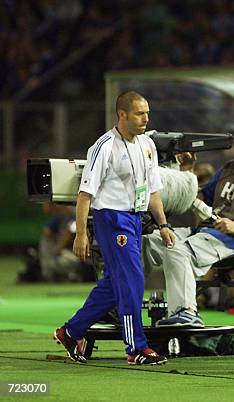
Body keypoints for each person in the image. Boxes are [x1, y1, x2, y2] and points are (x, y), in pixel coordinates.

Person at [54, 91, 175, 365]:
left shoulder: (148, 145)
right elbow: (85, 194)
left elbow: (153, 190)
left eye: (147, 113)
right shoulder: (104, 147)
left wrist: (163, 224)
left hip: (135, 219)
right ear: (122, 115)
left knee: (114, 284)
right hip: (111, 219)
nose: (146, 118)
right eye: (139, 114)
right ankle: (135, 348)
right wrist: (82, 233)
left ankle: (71, 332)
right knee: (132, 280)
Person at [145, 116, 234, 327]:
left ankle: (186, 312)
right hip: (204, 232)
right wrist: (187, 171)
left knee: (176, 250)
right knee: (148, 241)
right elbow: (199, 198)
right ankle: (118, 300)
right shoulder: (230, 168)